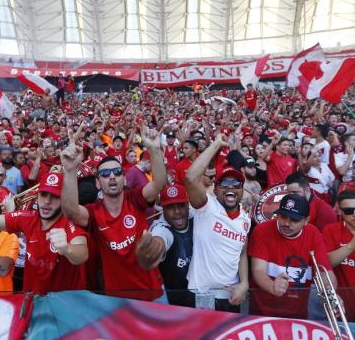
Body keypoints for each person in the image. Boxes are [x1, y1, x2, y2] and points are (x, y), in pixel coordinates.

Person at [60, 126, 167, 301]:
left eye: (117, 172)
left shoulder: (136, 199)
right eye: (104, 173)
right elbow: (71, 211)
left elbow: (159, 184)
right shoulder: (94, 212)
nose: (111, 176)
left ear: (124, 179)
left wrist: (154, 150)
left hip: (153, 293)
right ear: (97, 183)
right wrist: (70, 170)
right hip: (118, 299)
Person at [0, 172, 89, 294]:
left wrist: (67, 249)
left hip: (65, 303)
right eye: (43, 194)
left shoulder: (69, 222)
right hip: (32, 300)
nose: (47, 201)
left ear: (64, 199)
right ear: (37, 196)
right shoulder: (27, 218)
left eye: (55, 196)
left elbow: (81, 255)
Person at [185, 134, 250, 313]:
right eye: (224, 183)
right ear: (215, 188)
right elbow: (190, 177)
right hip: (201, 294)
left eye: (236, 183)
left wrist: (244, 283)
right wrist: (216, 145)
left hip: (231, 296)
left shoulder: (245, 219)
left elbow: (242, 252)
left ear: (242, 190)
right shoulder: (206, 206)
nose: (230, 187)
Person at [248, 193, 337, 319]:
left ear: (306, 220)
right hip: (262, 312)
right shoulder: (262, 230)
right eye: (283, 216)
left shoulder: (313, 233)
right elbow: (258, 270)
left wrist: (331, 295)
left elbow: (324, 272)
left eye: (294, 220)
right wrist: (272, 286)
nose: (286, 223)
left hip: (297, 315)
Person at [136, 184, 194, 307]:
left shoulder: (196, 216)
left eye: (181, 205)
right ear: (162, 209)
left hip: (202, 296)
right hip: (176, 303)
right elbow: (159, 240)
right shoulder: (161, 227)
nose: (177, 211)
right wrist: (151, 250)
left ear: (188, 205)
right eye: (170, 207)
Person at [322, 189, 355, 321]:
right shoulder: (331, 230)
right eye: (349, 211)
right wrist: (351, 246)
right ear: (340, 211)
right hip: (342, 306)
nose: (354, 214)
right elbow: (326, 263)